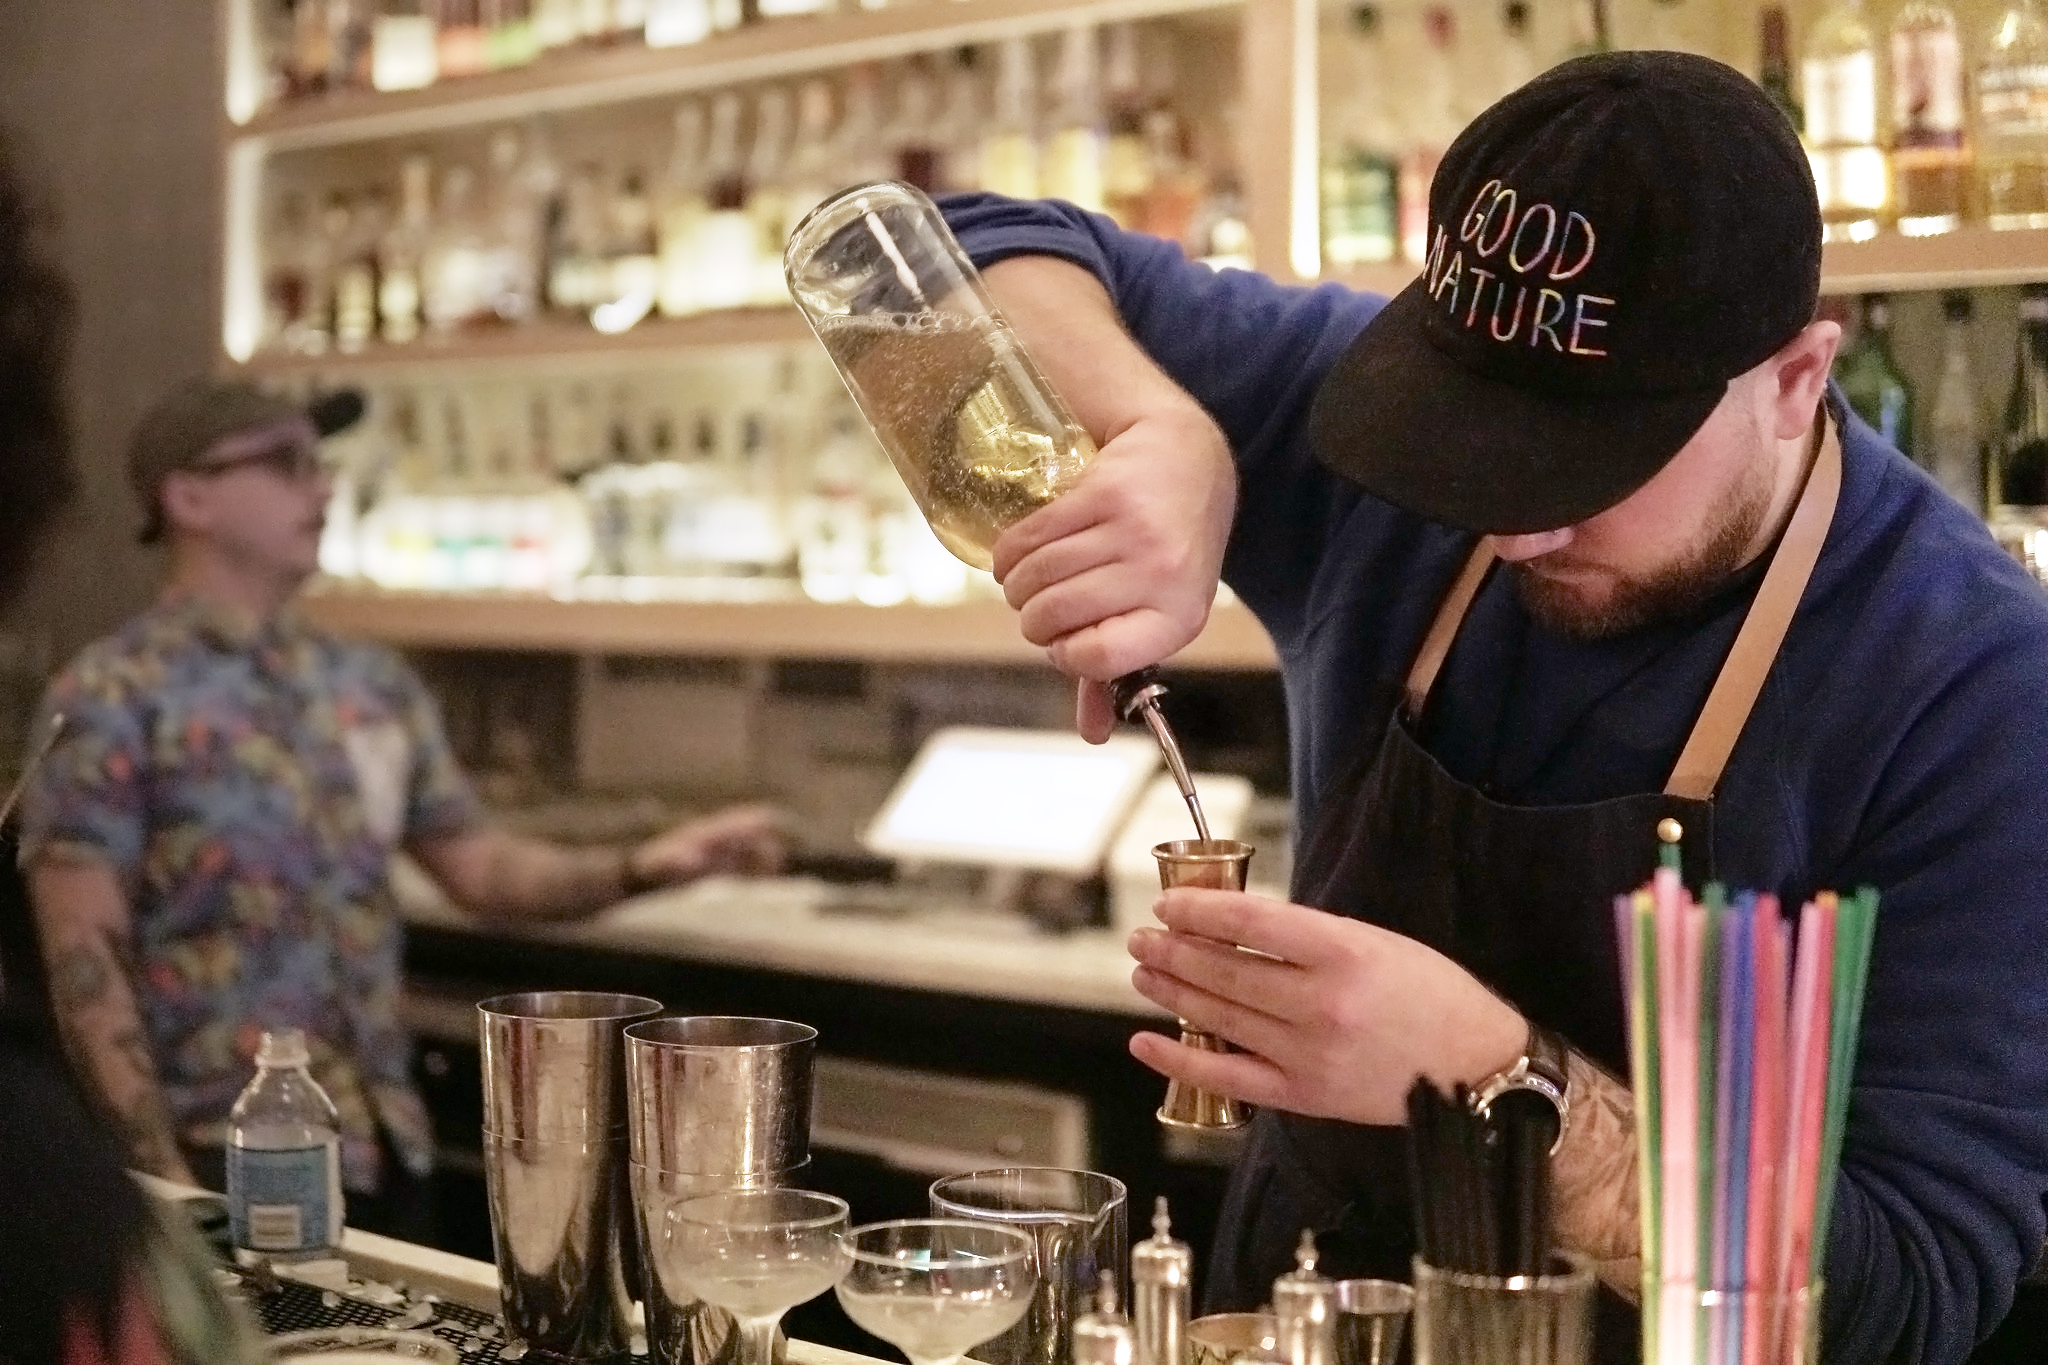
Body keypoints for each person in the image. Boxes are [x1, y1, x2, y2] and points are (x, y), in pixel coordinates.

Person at [940, 51, 2048, 1365]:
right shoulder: (1372, 440)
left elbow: (1906, 1294)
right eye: (1479, 441)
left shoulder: (1980, 689)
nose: (1522, 522)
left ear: (1800, 379)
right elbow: (959, 250)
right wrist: (1156, 429)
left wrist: (1502, 1080)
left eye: (1597, 462)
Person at [19, 376, 786, 1235]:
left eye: (321, 462)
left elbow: (482, 869)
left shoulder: (369, 684)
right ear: (188, 496)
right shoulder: (112, 694)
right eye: (285, 464)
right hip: (215, 1151)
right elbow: (84, 954)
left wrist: (646, 865)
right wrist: (157, 1180)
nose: (323, 485)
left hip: (379, 1143)